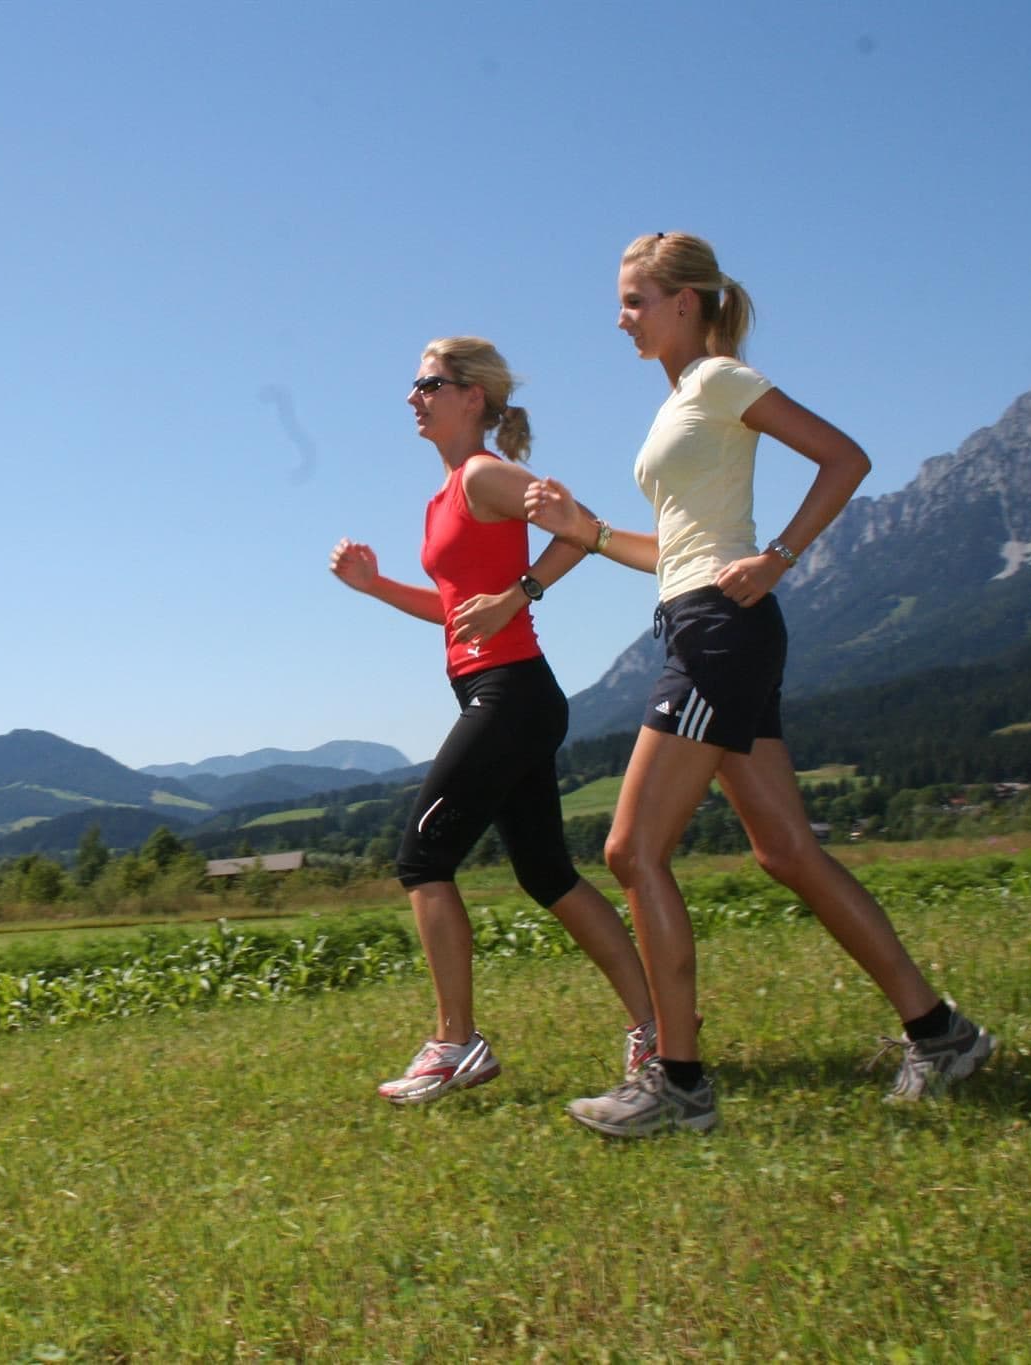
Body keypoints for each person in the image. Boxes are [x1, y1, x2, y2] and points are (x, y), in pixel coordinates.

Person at [524, 232, 994, 1137]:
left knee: (631, 851)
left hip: (718, 635)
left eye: (634, 301)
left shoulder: (720, 381)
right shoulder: (683, 405)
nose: (620, 318)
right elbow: (671, 552)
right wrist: (583, 530)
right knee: (787, 851)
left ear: (686, 303)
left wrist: (779, 557)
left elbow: (845, 456)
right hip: (703, 616)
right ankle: (940, 1034)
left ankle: (680, 1083)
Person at [331, 336, 657, 1106]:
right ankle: (659, 1028)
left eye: (428, 383)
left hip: (510, 695)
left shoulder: (483, 474)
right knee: (547, 872)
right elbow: (452, 612)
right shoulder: (445, 494)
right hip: (500, 692)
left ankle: (455, 1041)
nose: (413, 396)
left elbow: (583, 527)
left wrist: (522, 591)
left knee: (421, 857)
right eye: (413, 384)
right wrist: (377, 587)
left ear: (471, 395)